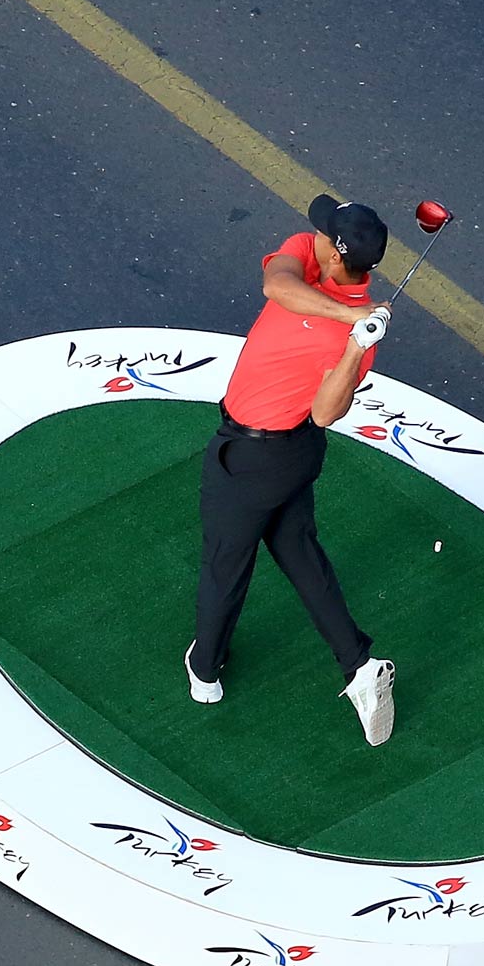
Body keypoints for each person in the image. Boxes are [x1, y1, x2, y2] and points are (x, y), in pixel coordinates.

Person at [185, 194, 398, 746]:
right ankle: (358, 665)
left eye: (326, 234)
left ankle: (205, 670)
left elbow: (326, 412)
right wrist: (352, 316)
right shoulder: (305, 258)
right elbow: (276, 287)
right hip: (290, 460)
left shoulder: (357, 335)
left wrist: (355, 347)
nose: (315, 233)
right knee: (298, 551)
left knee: (225, 564)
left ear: (336, 256)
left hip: (257, 454)